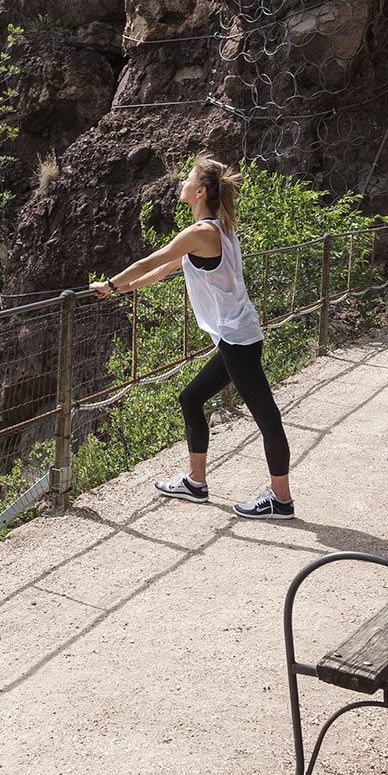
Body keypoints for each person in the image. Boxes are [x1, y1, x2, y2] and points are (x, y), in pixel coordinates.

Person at [89, 156, 295, 520]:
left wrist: (109, 282)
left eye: (187, 179)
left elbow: (152, 259)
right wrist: (122, 290)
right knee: (191, 397)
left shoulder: (201, 232)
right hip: (237, 337)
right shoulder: (218, 229)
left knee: (267, 417)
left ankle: (281, 501)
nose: (180, 183)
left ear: (200, 191)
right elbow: (166, 268)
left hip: (238, 341)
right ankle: (195, 483)